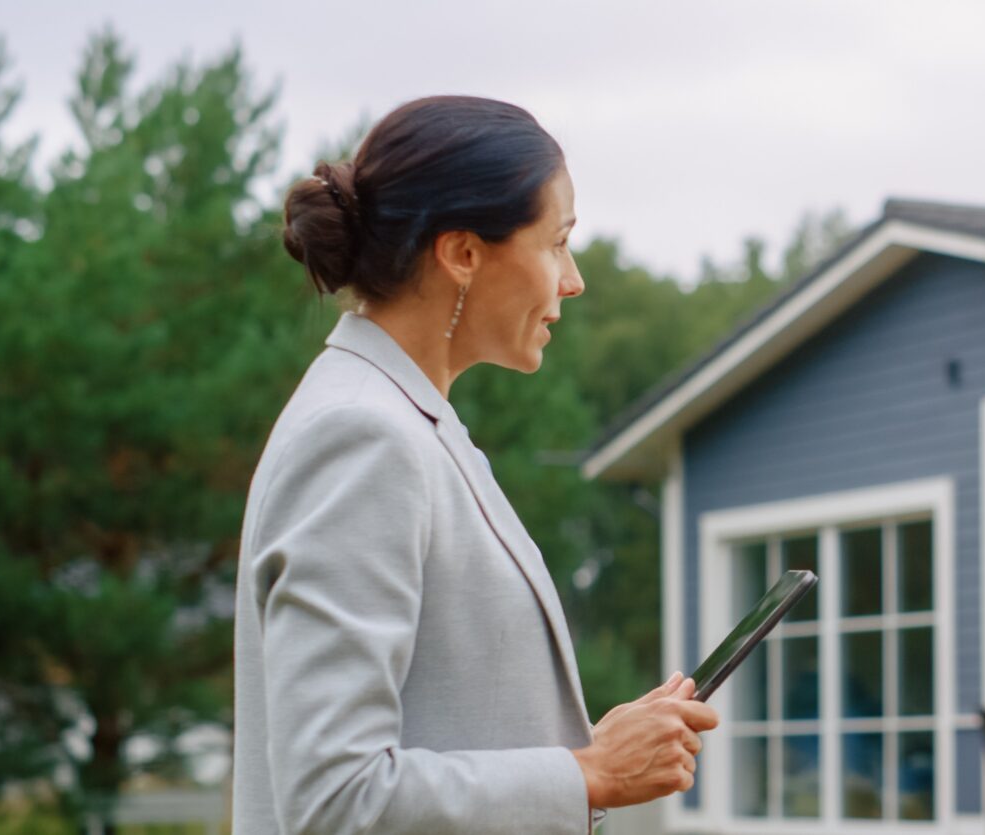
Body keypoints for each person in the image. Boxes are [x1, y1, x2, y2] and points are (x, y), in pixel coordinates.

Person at [234, 95, 716, 834]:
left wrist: (589, 748)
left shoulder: (407, 422)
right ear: (462, 253)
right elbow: (334, 798)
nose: (573, 279)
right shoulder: (364, 435)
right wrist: (586, 774)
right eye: (557, 242)